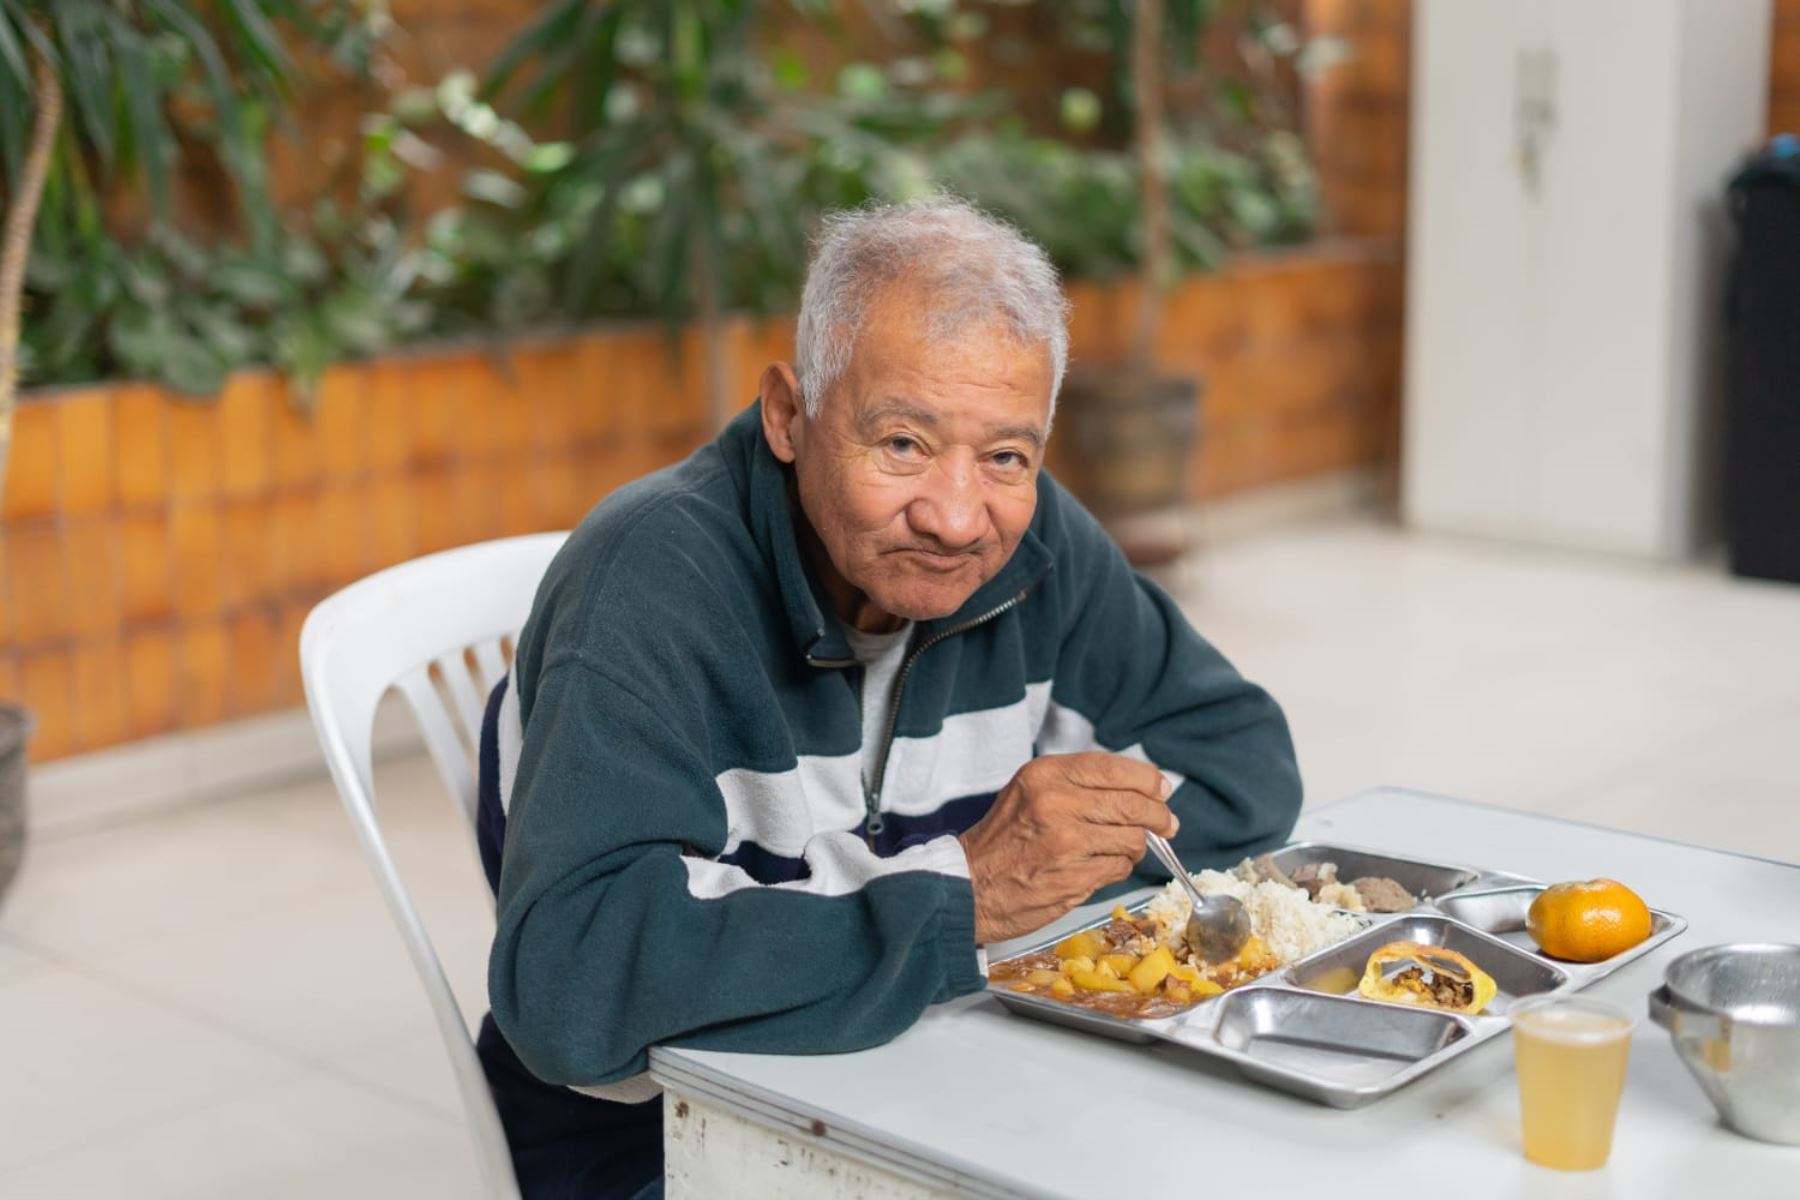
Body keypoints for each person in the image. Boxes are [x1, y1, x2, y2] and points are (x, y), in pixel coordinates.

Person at [473, 198, 1301, 1198]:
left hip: (945, 1081)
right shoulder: (649, 583)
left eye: (1007, 455)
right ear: (789, 414)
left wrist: (1043, 874)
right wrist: (957, 897)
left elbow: (1242, 761)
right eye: (903, 443)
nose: (957, 519)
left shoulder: (1033, 546)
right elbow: (571, 982)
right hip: (669, 1142)